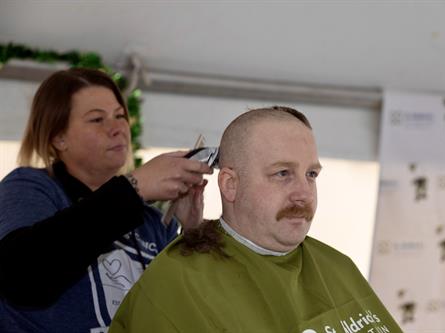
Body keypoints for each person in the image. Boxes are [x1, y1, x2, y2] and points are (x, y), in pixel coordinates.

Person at [110, 106, 403, 333]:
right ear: (230, 185)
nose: (304, 193)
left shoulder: (337, 267)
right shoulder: (178, 284)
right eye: (282, 173)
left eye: (311, 174)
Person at [0, 68, 213, 333]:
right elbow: (22, 277)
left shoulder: (152, 219)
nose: (117, 128)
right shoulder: (31, 186)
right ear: (59, 138)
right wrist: (134, 188)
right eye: (97, 119)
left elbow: (189, 309)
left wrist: (190, 231)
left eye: (120, 115)